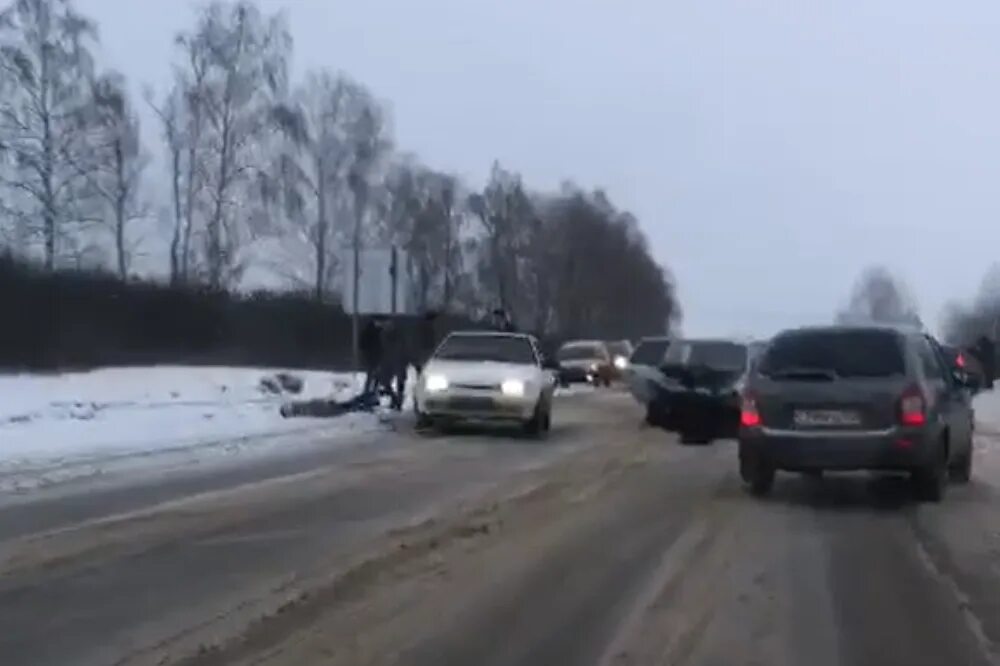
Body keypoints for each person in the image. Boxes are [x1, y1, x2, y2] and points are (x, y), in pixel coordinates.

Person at [359, 316, 384, 397]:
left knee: (377, 376)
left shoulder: (380, 331)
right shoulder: (369, 331)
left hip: (377, 356)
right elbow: (362, 344)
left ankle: (372, 391)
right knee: (371, 375)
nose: (380, 324)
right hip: (371, 357)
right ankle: (368, 392)